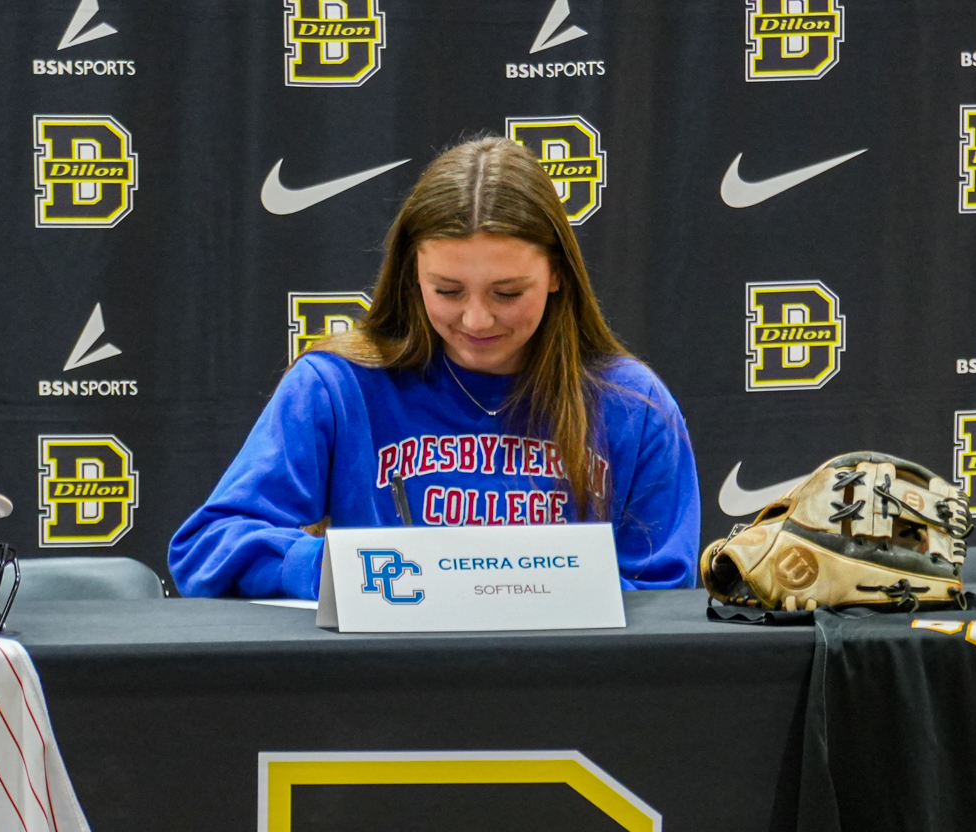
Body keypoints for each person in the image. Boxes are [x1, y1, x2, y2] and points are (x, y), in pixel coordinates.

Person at [168, 137, 700, 599]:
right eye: (447, 290)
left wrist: (520, 593)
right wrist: (344, 570)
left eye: (507, 292)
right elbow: (206, 548)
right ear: (412, 275)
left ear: (558, 274)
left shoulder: (633, 404)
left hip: (561, 695)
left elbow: (662, 595)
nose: (476, 318)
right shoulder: (337, 385)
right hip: (382, 694)